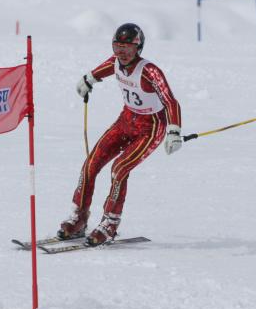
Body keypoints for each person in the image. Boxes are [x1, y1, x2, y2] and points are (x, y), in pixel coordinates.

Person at [57, 22, 183, 246]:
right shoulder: (115, 62)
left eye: (127, 48)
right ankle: (79, 217)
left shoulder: (149, 71)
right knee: (91, 163)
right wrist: (88, 79)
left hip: (150, 127)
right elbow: (105, 68)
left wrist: (174, 130)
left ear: (138, 47)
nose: (121, 53)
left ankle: (110, 224)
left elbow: (171, 101)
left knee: (119, 169)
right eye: (117, 47)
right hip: (126, 120)